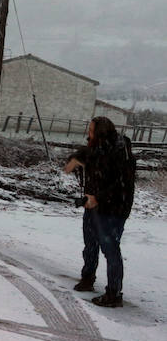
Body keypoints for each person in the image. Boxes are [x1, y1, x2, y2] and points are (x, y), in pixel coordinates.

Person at [63, 116, 135, 307]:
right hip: (93, 204)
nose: (89, 134)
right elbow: (86, 153)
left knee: (110, 250)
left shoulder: (120, 152)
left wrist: (98, 198)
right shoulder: (97, 147)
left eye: (91, 130)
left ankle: (113, 294)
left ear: (101, 133)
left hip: (113, 209)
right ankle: (87, 278)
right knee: (90, 244)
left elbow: (121, 184)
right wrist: (75, 159)